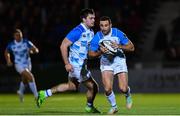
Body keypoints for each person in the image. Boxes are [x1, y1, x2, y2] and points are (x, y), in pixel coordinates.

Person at [37, 8, 100, 113]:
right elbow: (63, 46)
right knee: (94, 87)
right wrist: (67, 64)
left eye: (94, 18)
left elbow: (88, 51)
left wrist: (98, 52)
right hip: (76, 66)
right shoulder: (77, 31)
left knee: (71, 86)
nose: (93, 20)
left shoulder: (91, 31)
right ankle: (89, 107)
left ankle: (45, 93)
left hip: (81, 65)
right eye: (91, 18)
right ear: (84, 19)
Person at [89, 16, 134, 114]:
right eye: (101, 25)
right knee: (107, 88)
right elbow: (90, 54)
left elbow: (131, 47)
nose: (103, 28)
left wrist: (119, 46)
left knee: (123, 88)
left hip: (119, 60)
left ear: (110, 25)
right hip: (106, 62)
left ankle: (127, 94)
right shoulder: (97, 36)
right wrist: (100, 52)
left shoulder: (117, 33)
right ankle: (114, 107)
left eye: (106, 25)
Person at [4, 29, 39, 102]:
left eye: (20, 35)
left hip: (28, 63)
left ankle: (20, 91)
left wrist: (33, 51)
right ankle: (36, 95)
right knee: (30, 76)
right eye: (17, 35)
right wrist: (8, 60)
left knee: (25, 79)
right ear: (14, 36)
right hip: (18, 64)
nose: (19, 36)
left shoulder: (26, 42)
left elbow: (36, 49)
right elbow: (6, 52)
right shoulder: (12, 44)